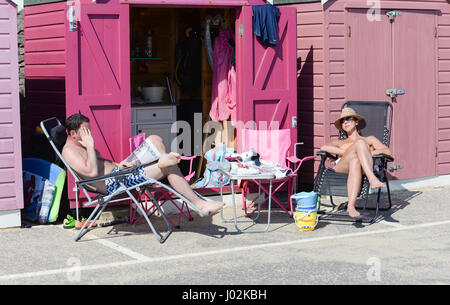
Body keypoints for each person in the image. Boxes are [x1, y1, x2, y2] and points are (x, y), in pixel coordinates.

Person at [61, 113, 225, 216]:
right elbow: (91, 173)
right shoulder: (69, 151)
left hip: (121, 171)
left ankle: (163, 160)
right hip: (114, 183)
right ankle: (199, 203)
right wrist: (90, 145)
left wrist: (119, 163)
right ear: (73, 134)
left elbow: (99, 162)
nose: (89, 135)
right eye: (85, 131)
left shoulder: (81, 145)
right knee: (168, 166)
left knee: (154, 139)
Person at [319, 107, 391, 218]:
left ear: (356, 121)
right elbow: (324, 147)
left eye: (348, 119)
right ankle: (372, 179)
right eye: (342, 121)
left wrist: (365, 153)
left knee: (356, 160)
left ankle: (351, 205)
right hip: (342, 167)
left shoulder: (369, 139)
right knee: (359, 145)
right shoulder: (340, 142)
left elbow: (387, 152)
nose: (345, 122)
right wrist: (347, 151)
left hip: (361, 167)